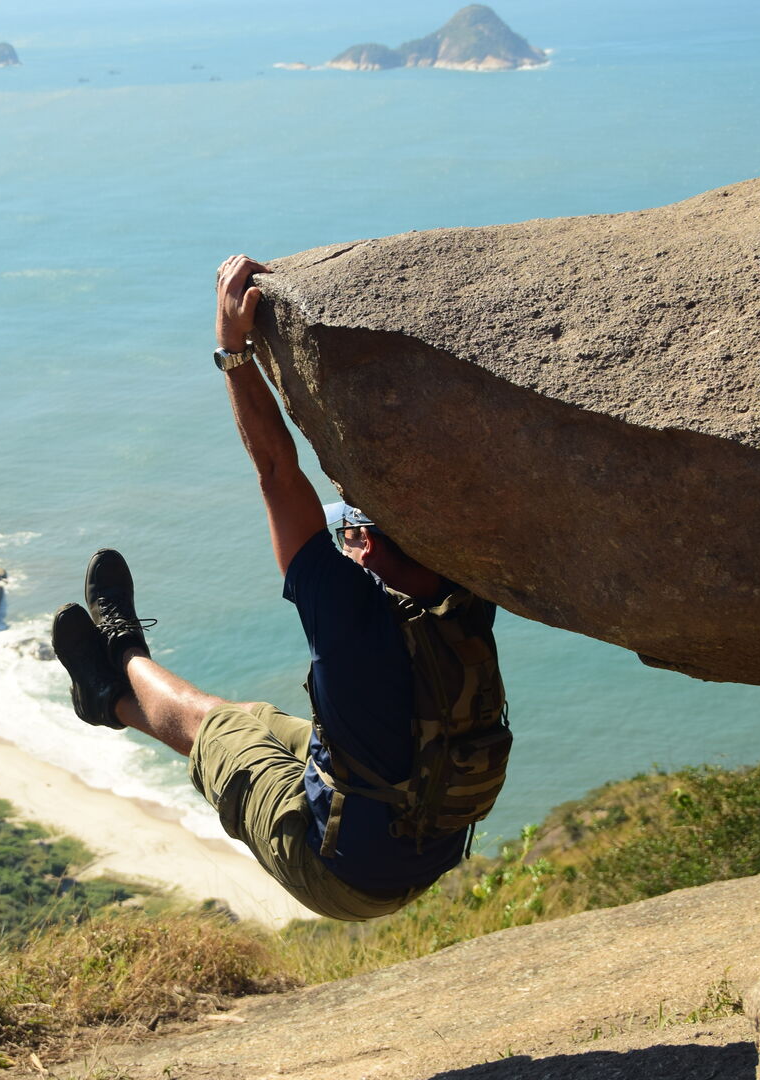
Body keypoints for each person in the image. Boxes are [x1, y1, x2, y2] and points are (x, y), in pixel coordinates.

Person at [49, 254, 509, 921]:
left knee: (218, 726)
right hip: (421, 834)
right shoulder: (462, 591)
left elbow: (275, 471)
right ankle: (118, 677)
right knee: (262, 721)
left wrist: (232, 352)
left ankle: (114, 678)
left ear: (367, 546)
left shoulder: (351, 617)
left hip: (340, 874)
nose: (339, 542)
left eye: (346, 534)